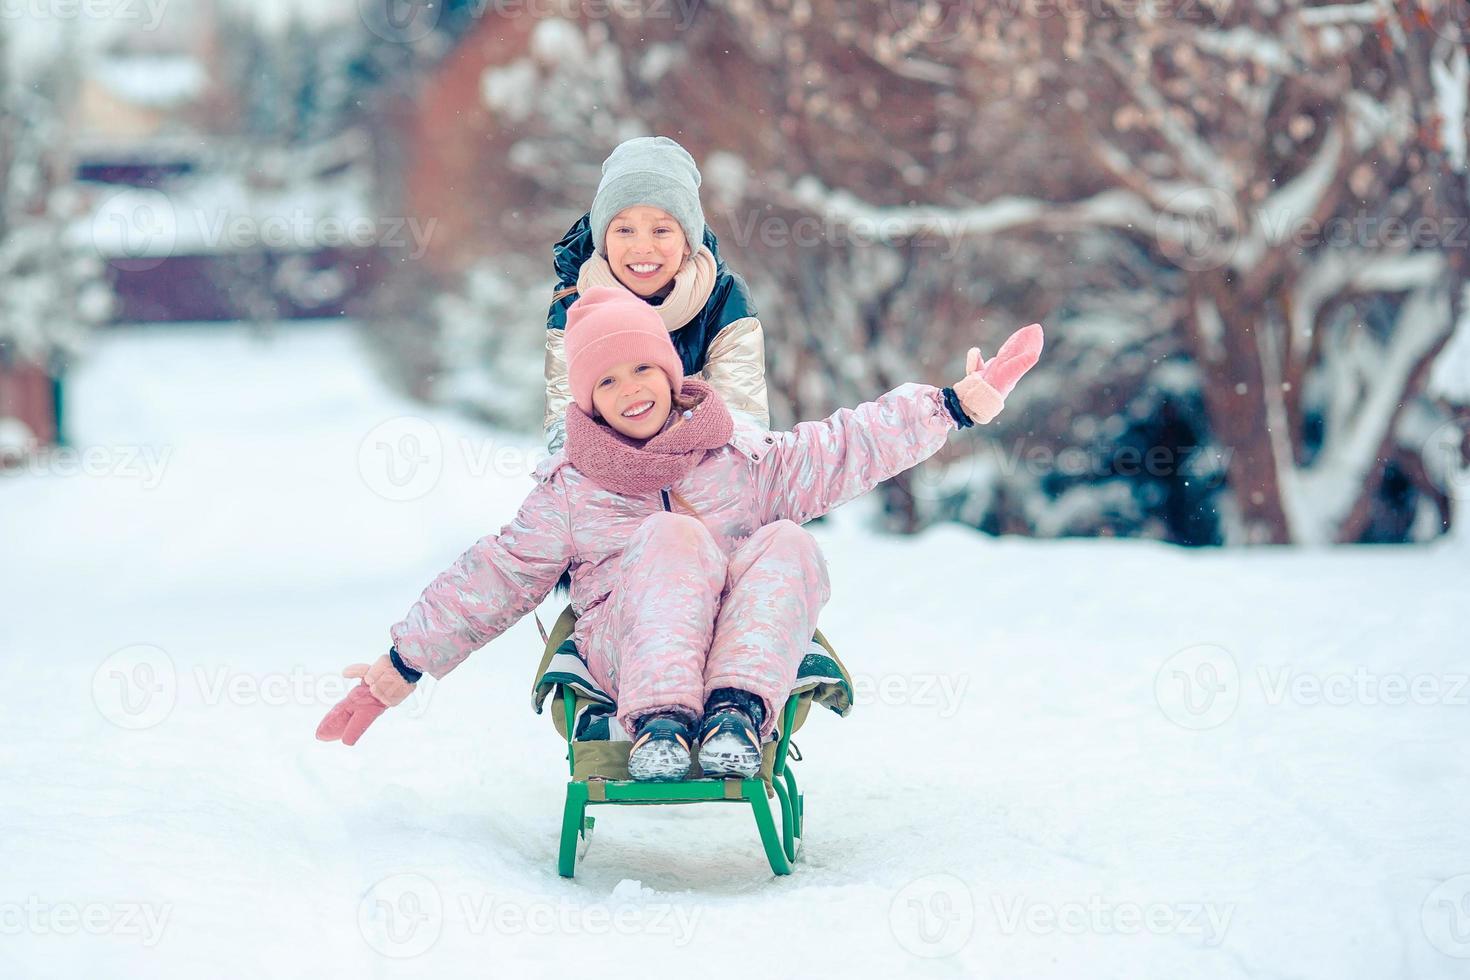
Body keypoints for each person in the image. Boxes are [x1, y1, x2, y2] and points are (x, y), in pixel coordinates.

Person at [319, 287, 1044, 782]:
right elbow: (497, 574)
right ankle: (662, 725)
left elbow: (846, 446)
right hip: (628, 652)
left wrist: (952, 405)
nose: (632, 388)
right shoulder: (572, 492)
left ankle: (735, 717)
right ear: (587, 401)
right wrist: (402, 665)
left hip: (740, 652)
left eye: (644, 368)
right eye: (608, 381)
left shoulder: (742, 460)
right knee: (671, 537)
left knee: (788, 543)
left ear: (671, 373)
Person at [543, 136, 769, 453]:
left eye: (661, 230)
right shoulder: (575, 300)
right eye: (624, 230)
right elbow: (566, 422)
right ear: (603, 241)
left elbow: (741, 419)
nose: (642, 247)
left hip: (701, 469)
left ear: (688, 241)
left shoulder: (723, 298)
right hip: (611, 474)